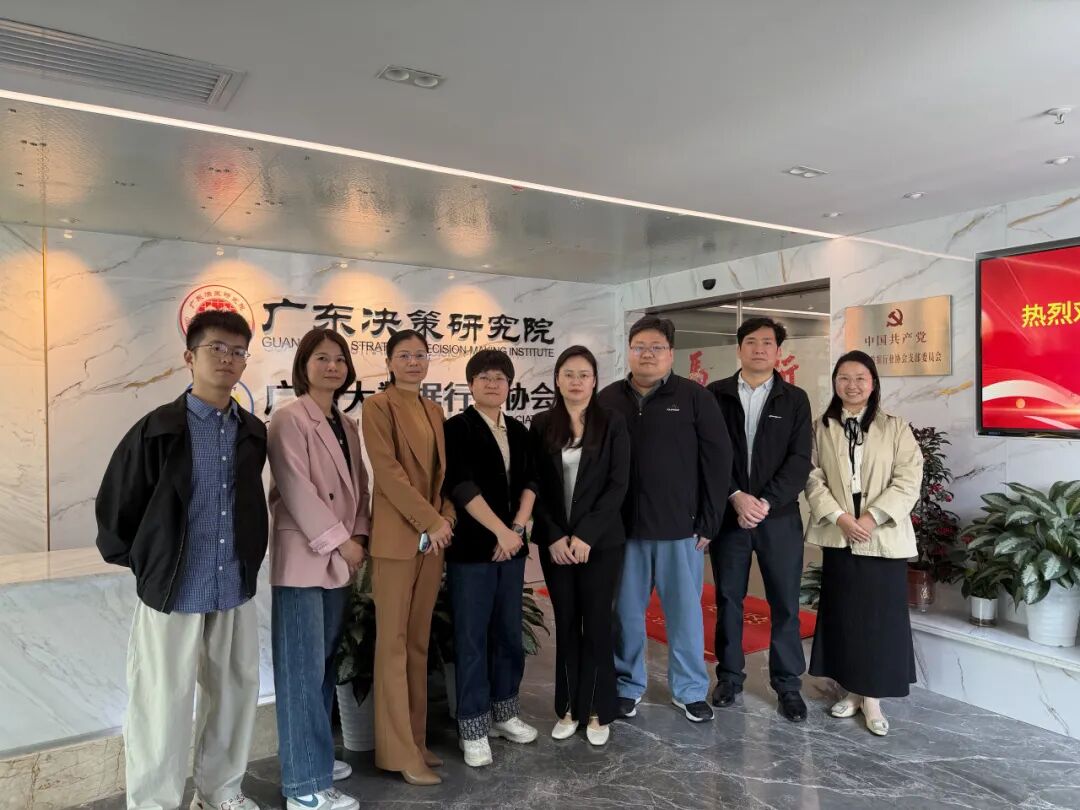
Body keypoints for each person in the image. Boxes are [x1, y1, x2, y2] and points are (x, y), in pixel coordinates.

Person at [96, 309, 268, 810]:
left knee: (233, 700)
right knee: (161, 706)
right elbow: (117, 508)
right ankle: (155, 803)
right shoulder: (158, 429)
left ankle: (220, 794)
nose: (227, 359)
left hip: (232, 585)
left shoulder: (252, 432)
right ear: (189, 357)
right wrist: (150, 562)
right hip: (174, 589)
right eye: (216, 348)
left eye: (237, 351)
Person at [597, 315, 732, 723]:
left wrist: (709, 520)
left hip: (681, 530)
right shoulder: (609, 399)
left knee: (685, 615)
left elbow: (717, 461)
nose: (648, 354)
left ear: (671, 354)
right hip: (624, 531)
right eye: (640, 347)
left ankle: (689, 689)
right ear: (629, 352)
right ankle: (627, 684)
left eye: (656, 347)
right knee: (626, 614)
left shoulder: (694, 397)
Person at [267, 328, 371, 810]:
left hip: (341, 557)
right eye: (322, 358)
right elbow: (294, 488)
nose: (332, 366)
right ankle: (305, 787)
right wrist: (342, 542)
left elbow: (360, 488)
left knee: (324, 665)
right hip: (305, 558)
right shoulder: (288, 418)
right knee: (301, 672)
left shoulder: (347, 423)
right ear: (303, 366)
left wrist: (360, 537)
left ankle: (314, 755)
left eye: (340, 359)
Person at [804, 350, 924, 737]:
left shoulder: (896, 428)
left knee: (879, 621)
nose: (852, 385)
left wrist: (871, 518)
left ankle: (871, 697)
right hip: (841, 536)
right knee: (847, 618)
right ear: (835, 383)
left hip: (881, 536)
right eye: (844, 378)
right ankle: (853, 691)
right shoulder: (821, 427)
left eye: (860, 378)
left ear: (873, 384)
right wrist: (840, 517)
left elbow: (909, 479)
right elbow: (811, 477)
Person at [361, 329, 455, 786]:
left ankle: (416, 741)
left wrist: (446, 517)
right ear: (389, 362)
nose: (414, 362)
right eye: (404, 355)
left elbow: (443, 476)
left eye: (420, 354)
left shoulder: (434, 410)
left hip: (432, 542)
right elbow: (389, 473)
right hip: (398, 540)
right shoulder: (377, 407)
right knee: (393, 645)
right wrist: (431, 521)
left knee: (418, 643)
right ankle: (397, 752)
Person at [707, 317, 812, 722]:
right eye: (751, 342)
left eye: (767, 343)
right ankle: (729, 677)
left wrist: (765, 502)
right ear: (739, 348)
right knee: (728, 598)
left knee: (784, 602)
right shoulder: (715, 395)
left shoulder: (795, 399)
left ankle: (788, 685)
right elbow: (709, 455)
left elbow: (799, 460)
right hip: (729, 516)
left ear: (778, 351)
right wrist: (735, 496)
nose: (759, 349)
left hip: (778, 518)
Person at [442, 350, 539, 767]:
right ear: (470, 385)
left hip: (511, 550)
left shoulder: (518, 429)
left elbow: (532, 481)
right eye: (483, 377)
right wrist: (500, 532)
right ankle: (473, 727)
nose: (492, 384)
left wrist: (515, 529)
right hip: (472, 553)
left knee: (507, 634)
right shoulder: (457, 428)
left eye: (500, 378)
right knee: (471, 639)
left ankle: (505, 713)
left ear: (509, 386)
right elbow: (460, 486)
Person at [530, 346, 630, 746]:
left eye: (583, 374)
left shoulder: (612, 423)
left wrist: (586, 535)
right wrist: (554, 535)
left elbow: (618, 484)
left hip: (601, 543)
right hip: (556, 544)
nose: (576, 381)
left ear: (594, 380)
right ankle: (569, 708)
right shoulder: (542, 424)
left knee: (597, 623)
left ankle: (598, 710)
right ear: (557, 379)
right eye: (568, 374)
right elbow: (534, 485)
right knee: (567, 622)